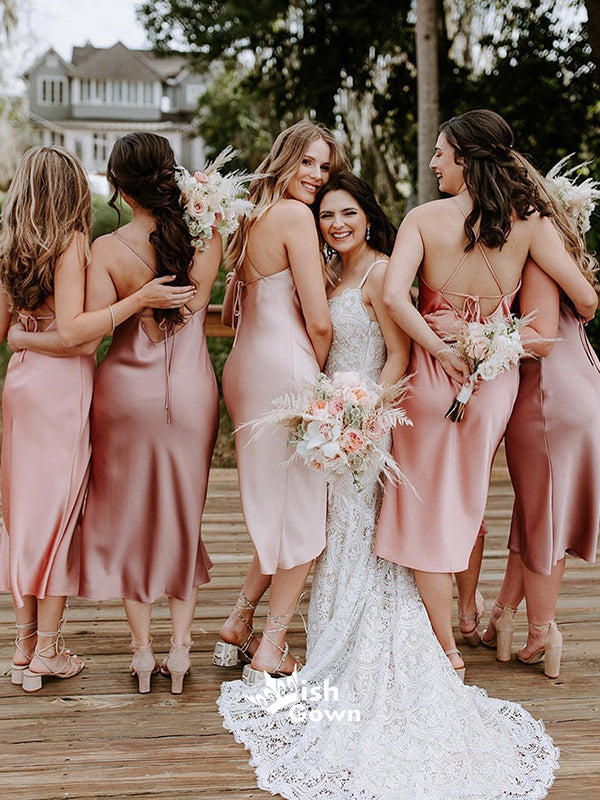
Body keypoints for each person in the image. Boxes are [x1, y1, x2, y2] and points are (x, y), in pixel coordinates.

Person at [217, 171, 560, 800]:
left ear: (367, 216)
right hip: (329, 422)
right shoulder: (327, 275)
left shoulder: (379, 272)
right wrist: (325, 411)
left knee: (360, 532)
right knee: (326, 530)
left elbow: (399, 356)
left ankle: (362, 644)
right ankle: (303, 631)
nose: (336, 224)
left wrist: (364, 415)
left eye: (347, 213)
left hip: (370, 425)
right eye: (326, 216)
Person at [373, 109, 599, 680]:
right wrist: (489, 337)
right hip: (494, 382)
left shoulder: (423, 219)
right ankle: (472, 613)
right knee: (468, 498)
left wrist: (442, 347)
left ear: (465, 158)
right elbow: (585, 301)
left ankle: (448, 640)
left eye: (440, 153)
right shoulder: (530, 224)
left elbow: (396, 298)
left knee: (423, 504)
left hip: (430, 375)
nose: (434, 163)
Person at [0, 145, 191, 692]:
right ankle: (48, 650)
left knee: (24, 513)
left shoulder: (10, 246)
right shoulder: (70, 242)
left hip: (21, 384)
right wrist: (139, 299)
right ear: (70, 191)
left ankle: (24, 644)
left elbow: (8, 332)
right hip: (60, 389)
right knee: (59, 515)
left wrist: (22, 338)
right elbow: (79, 334)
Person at [213, 121, 346, 681]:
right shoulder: (294, 216)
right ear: (286, 158)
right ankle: (271, 646)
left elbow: (229, 312)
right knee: (304, 515)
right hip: (287, 370)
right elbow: (320, 321)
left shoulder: (249, 216)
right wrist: (324, 381)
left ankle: (239, 620)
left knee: (281, 508)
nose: (316, 175)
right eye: (307, 162)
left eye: (324, 167)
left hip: (245, 367)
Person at [465, 166, 600, 677]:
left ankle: (542, 631)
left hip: (547, 393)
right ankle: (503, 613)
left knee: (545, 517)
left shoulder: (534, 249)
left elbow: (559, 322)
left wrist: (474, 337)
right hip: (577, 382)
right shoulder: (546, 241)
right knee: (536, 509)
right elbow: (585, 304)